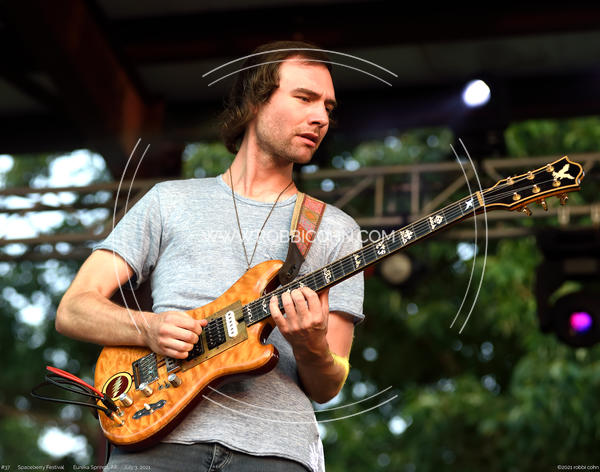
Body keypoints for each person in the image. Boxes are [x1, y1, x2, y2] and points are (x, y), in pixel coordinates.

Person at [56, 40, 364, 472]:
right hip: (157, 439)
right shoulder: (169, 201)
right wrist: (150, 328)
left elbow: (328, 386)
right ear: (255, 101)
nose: (321, 117)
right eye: (304, 98)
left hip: (276, 452)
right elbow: (73, 309)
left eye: (328, 107)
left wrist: (310, 344)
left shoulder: (334, 228)